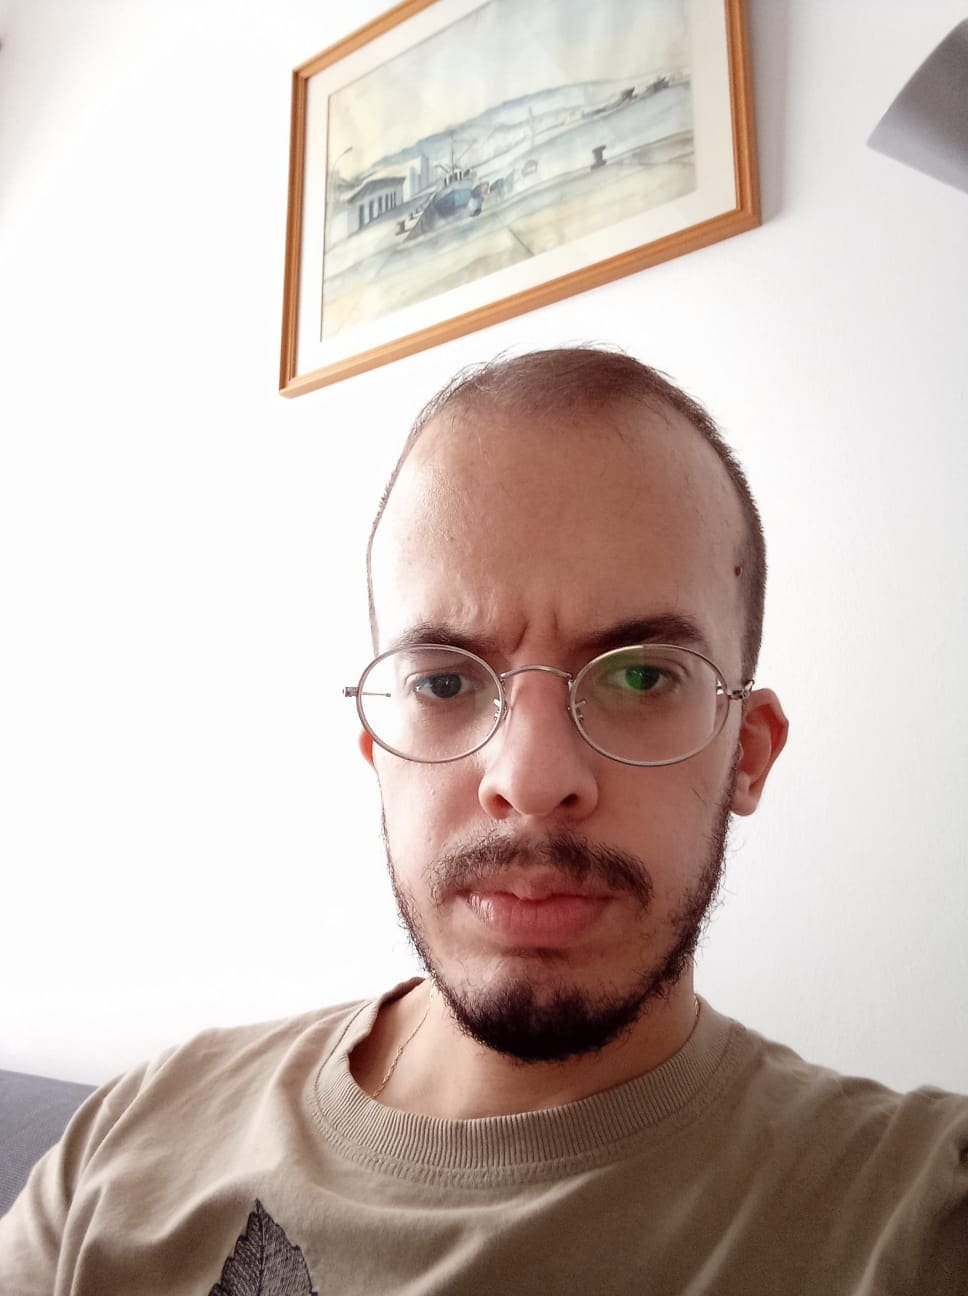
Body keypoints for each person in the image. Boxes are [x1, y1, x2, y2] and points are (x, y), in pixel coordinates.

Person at [1, 348, 966, 1294]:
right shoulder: (133, 1136)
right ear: (378, 752)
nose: (532, 781)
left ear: (747, 752)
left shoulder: (916, 1208)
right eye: (445, 682)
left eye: (641, 677)